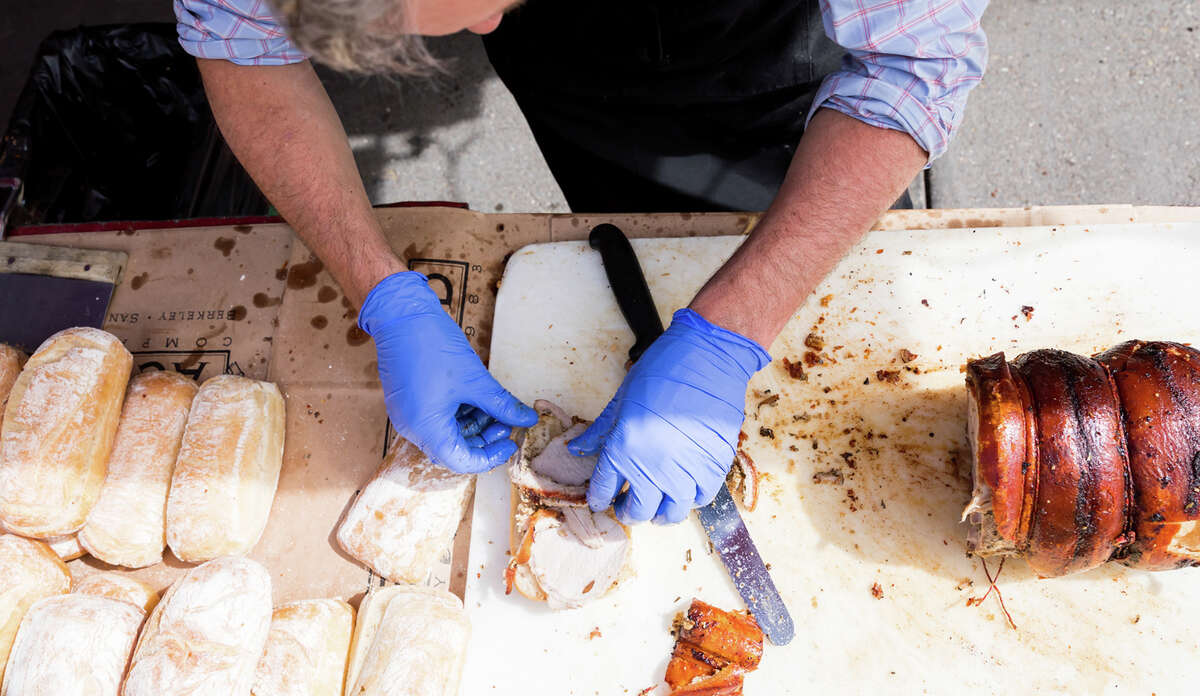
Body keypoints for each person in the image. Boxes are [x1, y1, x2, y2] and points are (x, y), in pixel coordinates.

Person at [177, 0, 988, 525]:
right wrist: (380, 289)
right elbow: (237, 39)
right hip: (583, 81)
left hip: (765, 56)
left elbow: (914, 68)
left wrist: (732, 333)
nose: (487, 34)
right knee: (627, 196)